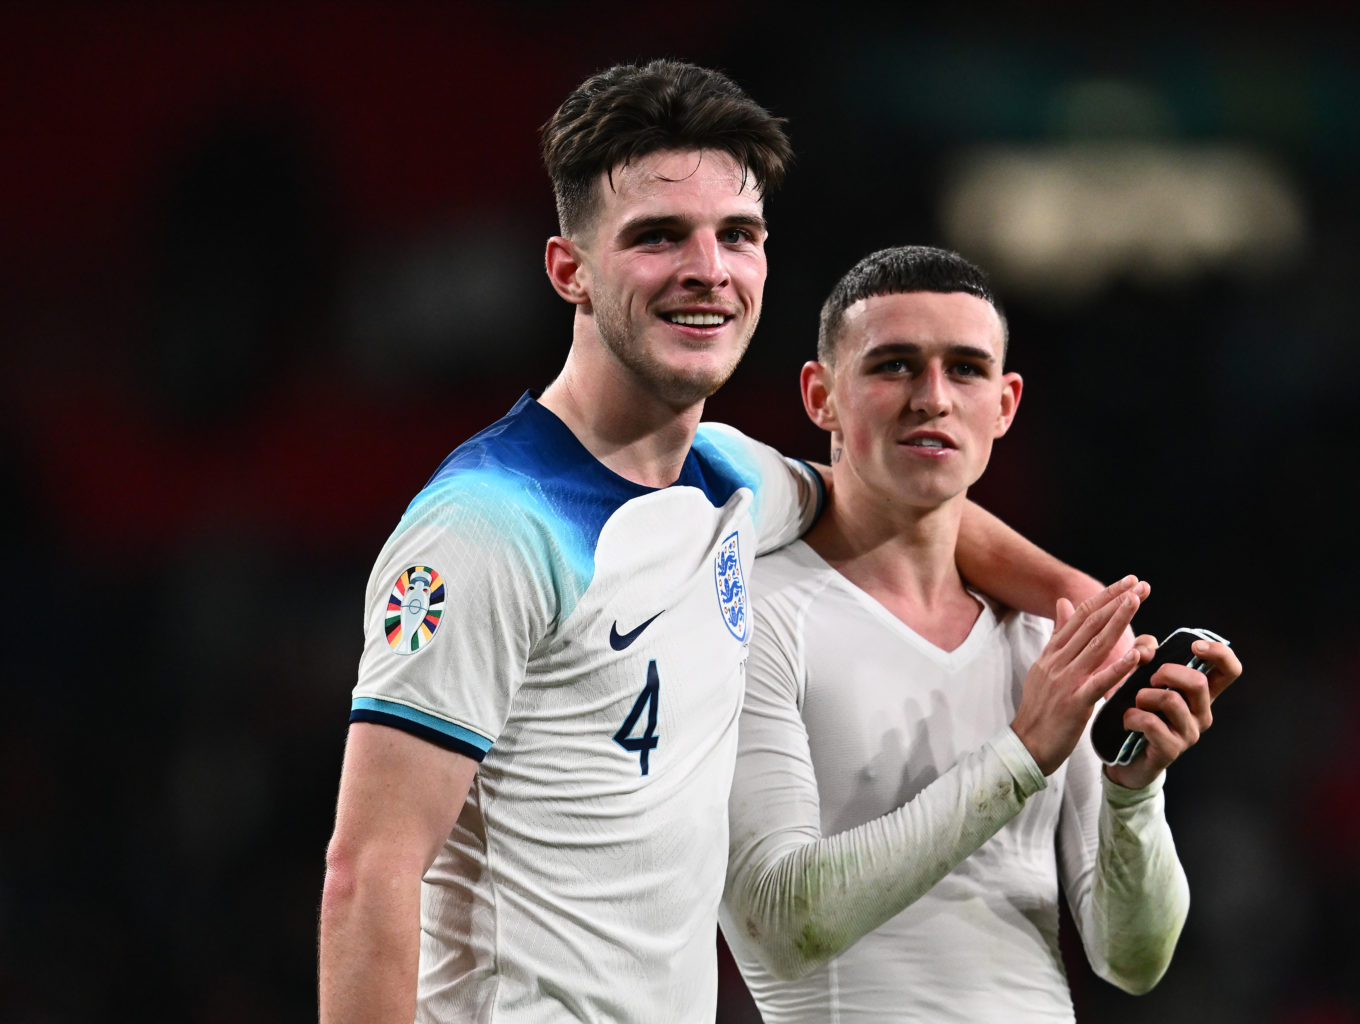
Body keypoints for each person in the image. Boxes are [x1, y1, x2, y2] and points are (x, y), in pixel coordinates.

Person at [318, 65, 1102, 1024]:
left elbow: (893, 500)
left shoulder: (729, 478)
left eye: (738, 235)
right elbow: (370, 872)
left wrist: (1088, 608)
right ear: (571, 269)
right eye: (657, 237)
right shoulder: (491, 527)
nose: (709, 269)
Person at [720, 246, 1244, 1022]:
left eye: (964, 369)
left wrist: (1136, 792)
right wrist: (1025, 751)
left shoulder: (1047, 640)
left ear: (1004, 405)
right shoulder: (752, 613)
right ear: (820, 395)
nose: (932, 397)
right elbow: (784, 925)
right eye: (894, 365)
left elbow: (1132, 960)